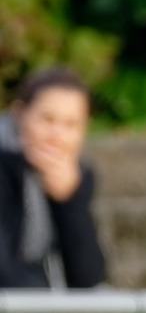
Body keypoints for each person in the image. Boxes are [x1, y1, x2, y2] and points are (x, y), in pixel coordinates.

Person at [0, 66, 106, 288]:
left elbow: (88, 278)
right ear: (20, 115)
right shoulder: (5, 162)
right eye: (47, 119)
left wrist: (69, 203)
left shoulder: (78, 176)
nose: (57, 135)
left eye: (71, 124)